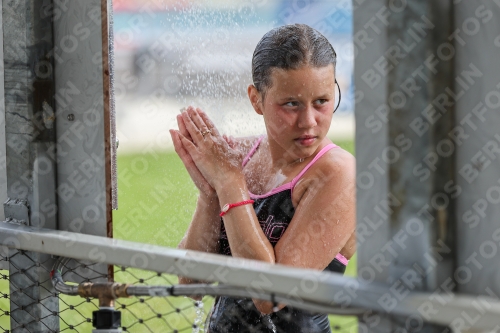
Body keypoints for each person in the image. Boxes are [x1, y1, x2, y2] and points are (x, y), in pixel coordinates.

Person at [169, 23, 356, 333]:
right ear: (256, 99)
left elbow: (269, 296)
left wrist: (229, 182)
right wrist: (210, 193)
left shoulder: (338, 174)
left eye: (321, 101)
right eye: (291, 104)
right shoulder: (237, 156)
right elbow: (192, 281)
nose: (308, 121)